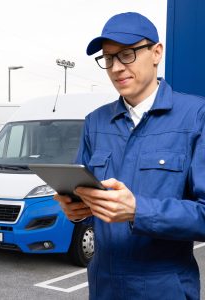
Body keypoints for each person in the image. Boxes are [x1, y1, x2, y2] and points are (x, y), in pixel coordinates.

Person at [54, 12, 205, 299]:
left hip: (165, 289)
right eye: (108, 58)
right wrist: (75, 212)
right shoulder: (95, 123)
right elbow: (85, 195)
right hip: (104, 287)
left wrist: (138, 210)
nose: (116, 68)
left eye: (127, 54)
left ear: (156, 52)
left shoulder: (196, 117)